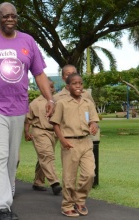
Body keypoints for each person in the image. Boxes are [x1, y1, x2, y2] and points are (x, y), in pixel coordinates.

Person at [0, 2, 55, 219]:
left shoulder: (28, 41)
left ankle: (7, 190)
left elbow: (39, 74)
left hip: (18, 108)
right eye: (5, 16)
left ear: (17, 18)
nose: (9, 19)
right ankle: (2, 207)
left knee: (12, 158)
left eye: (13, 16)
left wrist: (49, 98)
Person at [50, 73, 99, 217]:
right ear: (68, 86)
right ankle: (67, 204)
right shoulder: (62, 103)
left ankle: (80, 200)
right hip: (69, 143)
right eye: (74, 83)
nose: (78, 86)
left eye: (80, 83)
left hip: (86, 141)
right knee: (69, 177)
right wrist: (63, 140)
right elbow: (55, 124)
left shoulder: (87, 102)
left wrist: (93, 124)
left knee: (89, 173)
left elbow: (93, 119)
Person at [24, 79, 62, 195]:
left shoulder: (58, 101)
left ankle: (38, 182)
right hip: (40, 131)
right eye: (49, 87)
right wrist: (26, 132)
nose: (51, 89)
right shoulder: (35, 103)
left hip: (53, 133)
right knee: (47, 155)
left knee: (43, 157)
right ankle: (55, 183)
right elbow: (28, 120)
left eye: (52, 87)